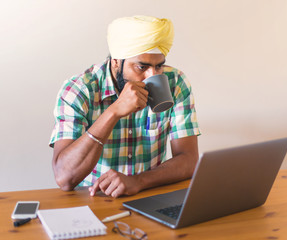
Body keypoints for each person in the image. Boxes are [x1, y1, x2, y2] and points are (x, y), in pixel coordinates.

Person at [49, 16, 201, 198]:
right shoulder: (79, 90)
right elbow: (65, 178)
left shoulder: (175, 82)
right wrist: (113, 112)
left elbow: (189, 160)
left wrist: (138, 181)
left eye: (159, 66)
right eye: (141, 67)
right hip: (94, 199)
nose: (151, 75)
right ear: (115, 62)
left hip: (149, 194)